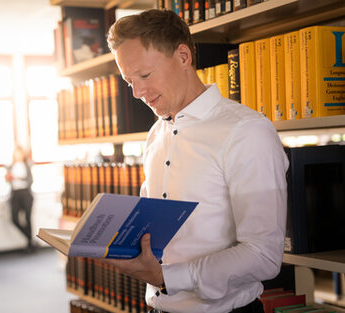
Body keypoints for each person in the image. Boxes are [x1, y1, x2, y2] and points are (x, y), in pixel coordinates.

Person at [103, 9, 289, 313]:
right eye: (128, 81)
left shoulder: (246, 131)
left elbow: (264, 254)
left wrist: (167, 277)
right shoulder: (155, 134)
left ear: (183, 56)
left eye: (145, 75)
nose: (137, 92)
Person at [6, 146, 34, 251]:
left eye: (19, 153)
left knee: (27, 219)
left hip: (25, 193)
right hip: (15, 194)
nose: (18, 156)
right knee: (14, 219)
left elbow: (30, 180)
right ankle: (29, 238)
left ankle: (30, 244)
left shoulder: (27, 165)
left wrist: (18, 178)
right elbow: (9, 180)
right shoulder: (11, 166)